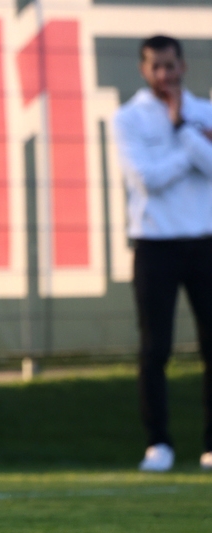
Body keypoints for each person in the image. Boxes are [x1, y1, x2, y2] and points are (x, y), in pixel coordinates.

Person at [113, 35, 212, 472]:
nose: (164, 75)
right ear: (143, 69)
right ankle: (159, 444)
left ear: (183, 66)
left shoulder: (204, 112)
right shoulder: (127, 118)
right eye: (155, 67)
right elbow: (146, 179)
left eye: (170, 66)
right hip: (154, 246)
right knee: (156, 349)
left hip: (205, 242)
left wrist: (181, 129)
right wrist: (191, 146)